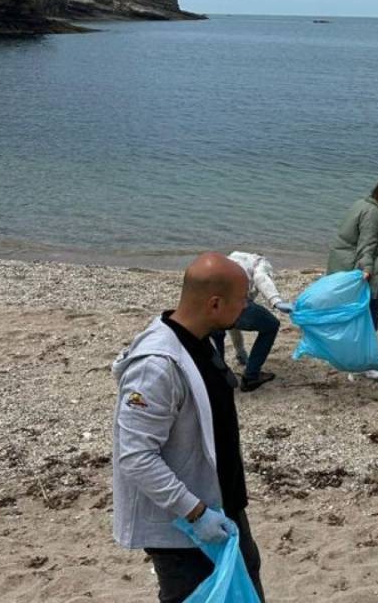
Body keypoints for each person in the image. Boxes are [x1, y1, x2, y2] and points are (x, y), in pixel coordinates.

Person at [111, 253, 266, 602]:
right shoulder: (156, 367)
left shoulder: (199, 340)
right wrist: (196, 514)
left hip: (223, 506)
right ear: (215, 303)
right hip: (186, 528)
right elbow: (136, 457)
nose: (246, 306)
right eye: (243, 299)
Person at [327, 175, 378, 331]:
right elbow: (367, 245)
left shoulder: (361, 204)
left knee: (345, 316)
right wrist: (367, 270)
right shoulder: (373, 213)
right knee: (367, 318)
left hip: (340, 267)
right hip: (356, 270)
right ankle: (363, 344)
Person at [210, 251, 292, 393]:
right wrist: (276, 301)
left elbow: (231, 323)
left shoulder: (232, 258)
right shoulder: (260, 262)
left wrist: (240, 351)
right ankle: (251, 377)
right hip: (233, 302)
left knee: (218, 333)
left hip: (209, 301)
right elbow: (261, 278)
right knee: (271, 325)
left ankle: (218, 379)